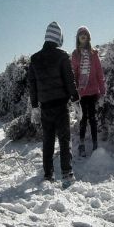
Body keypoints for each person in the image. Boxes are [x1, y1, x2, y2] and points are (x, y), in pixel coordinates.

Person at [28, 20, 79, 182]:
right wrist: (76, 101)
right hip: (61, 106)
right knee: (65, 140)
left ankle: (48, 174)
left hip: (45, 108)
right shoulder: (62, 56)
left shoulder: (34, 59)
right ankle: (67, 173)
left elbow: (32, 85)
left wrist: (35, 106)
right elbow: (70, 81)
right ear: (58, 38)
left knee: (48, 141)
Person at [71, 25, 106, 157]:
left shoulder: (94, 54)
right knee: (82, 118)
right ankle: (81, 144)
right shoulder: (75, 55)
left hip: (93, 91)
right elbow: (73, 74)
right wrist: (74, 92)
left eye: (85, 34)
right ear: (78, 38)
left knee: (92, 118)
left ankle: (95, 143)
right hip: (81, 92)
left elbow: (99, 73)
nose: (83, 36)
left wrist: (102, 92)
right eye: (81, 34)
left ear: (88, 37)